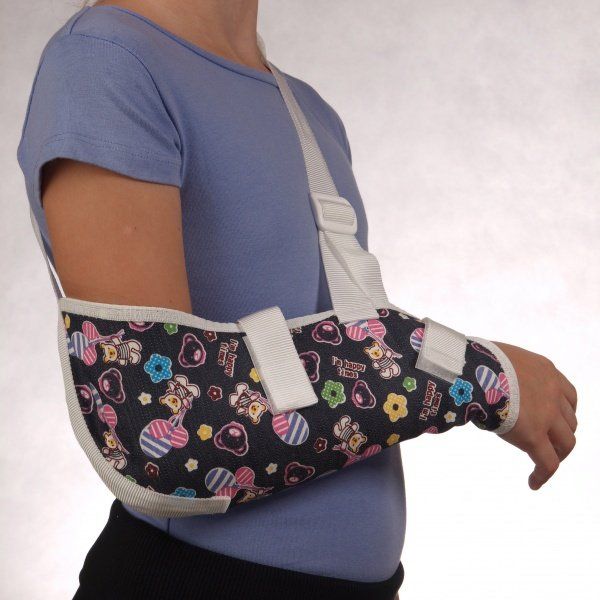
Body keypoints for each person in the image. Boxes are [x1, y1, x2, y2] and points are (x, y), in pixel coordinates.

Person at [16, 1, 577, 598]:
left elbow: (361, 345)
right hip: (196, 581)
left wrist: (459, 369)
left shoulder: (309, 111)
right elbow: (158, 414)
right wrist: (480, 375)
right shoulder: (105, 61)